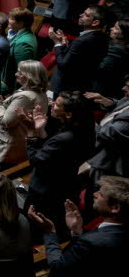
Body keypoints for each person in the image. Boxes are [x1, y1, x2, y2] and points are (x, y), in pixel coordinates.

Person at [25, 91, 95, 236]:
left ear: (68, 114)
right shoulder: (85, 130)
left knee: (37, 226)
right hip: (65, 184)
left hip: (45, 192)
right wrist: (41, 130)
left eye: (57, 104)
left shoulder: (65, 138)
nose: (52, 104)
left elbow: (36, 160)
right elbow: (52, 153)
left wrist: (32, 134)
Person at [31, 174, 128, 274]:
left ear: (115, 208)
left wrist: (49, 232)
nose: (95, 194)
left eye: (101, 194)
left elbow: (57, 268)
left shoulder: (91, 242)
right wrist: (78, 232)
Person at [0, 60, 49, 170]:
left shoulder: (25, 97)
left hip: (6, 149)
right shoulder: (39, 93)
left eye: (20, 72)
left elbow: (6, 121)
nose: (16, 74)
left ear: (29, 76)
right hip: (18, 147)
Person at [50, 5, 109, 93]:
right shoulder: (103, 38)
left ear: (95, 22)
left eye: (86, 15)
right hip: (80, 84)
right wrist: (66, 46)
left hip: (65, 85)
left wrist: (57, 44)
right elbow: (80, 59)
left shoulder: (82, 41)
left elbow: (64, 65)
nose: (81, 15)